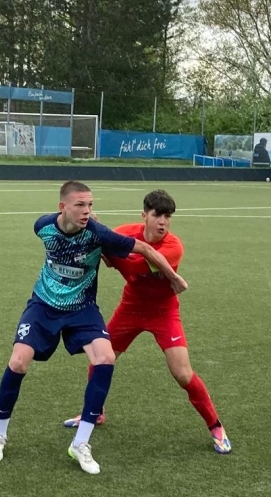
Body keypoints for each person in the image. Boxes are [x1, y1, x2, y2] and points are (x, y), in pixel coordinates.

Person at [0, 181, 188, 475]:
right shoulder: (43, 227)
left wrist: (173, 277)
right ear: (62, 207)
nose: (87, 211)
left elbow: (144, 248)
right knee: (18, 362)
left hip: (82, 308)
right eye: (80, 205)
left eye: (90, 205)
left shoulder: (97, 232)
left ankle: (80, 443)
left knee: (105, 358)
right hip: (43, 305)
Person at [63, 189, 231, 455]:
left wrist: (103, 241)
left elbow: (133, 265)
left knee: (182, 373)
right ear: (144, 215)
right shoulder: (126, 232)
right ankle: (95, 412)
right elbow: (105, 255)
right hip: (130, 308)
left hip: (164, 312)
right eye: (157, 215)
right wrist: (95, 234)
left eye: (168, 216)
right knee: (100, 359)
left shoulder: (173, 247)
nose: (163, 222)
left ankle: (216, 426)